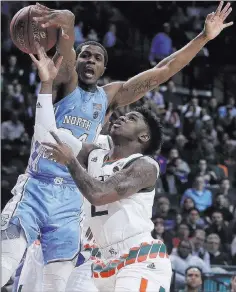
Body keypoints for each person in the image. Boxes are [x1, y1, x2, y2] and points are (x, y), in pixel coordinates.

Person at [1, 0, 233, 289]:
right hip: (40, 184)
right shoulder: (65, 80)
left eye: (97, 58)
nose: (90, 61)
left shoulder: (108, 97)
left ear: (104, 68)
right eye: (85, 55)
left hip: (74, 197)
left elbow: (163, 70)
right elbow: (66, 53)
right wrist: (68, 26)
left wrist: (204, 37)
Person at [42, 105, 171, 291]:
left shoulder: (145, 165)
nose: (122, 118)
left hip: (139, 259)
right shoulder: (93, 154)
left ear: (143, 137)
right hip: (100, 260)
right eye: (123, 115)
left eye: (132, 118)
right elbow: (56, 136)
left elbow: (99, 194)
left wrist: (70, 161)